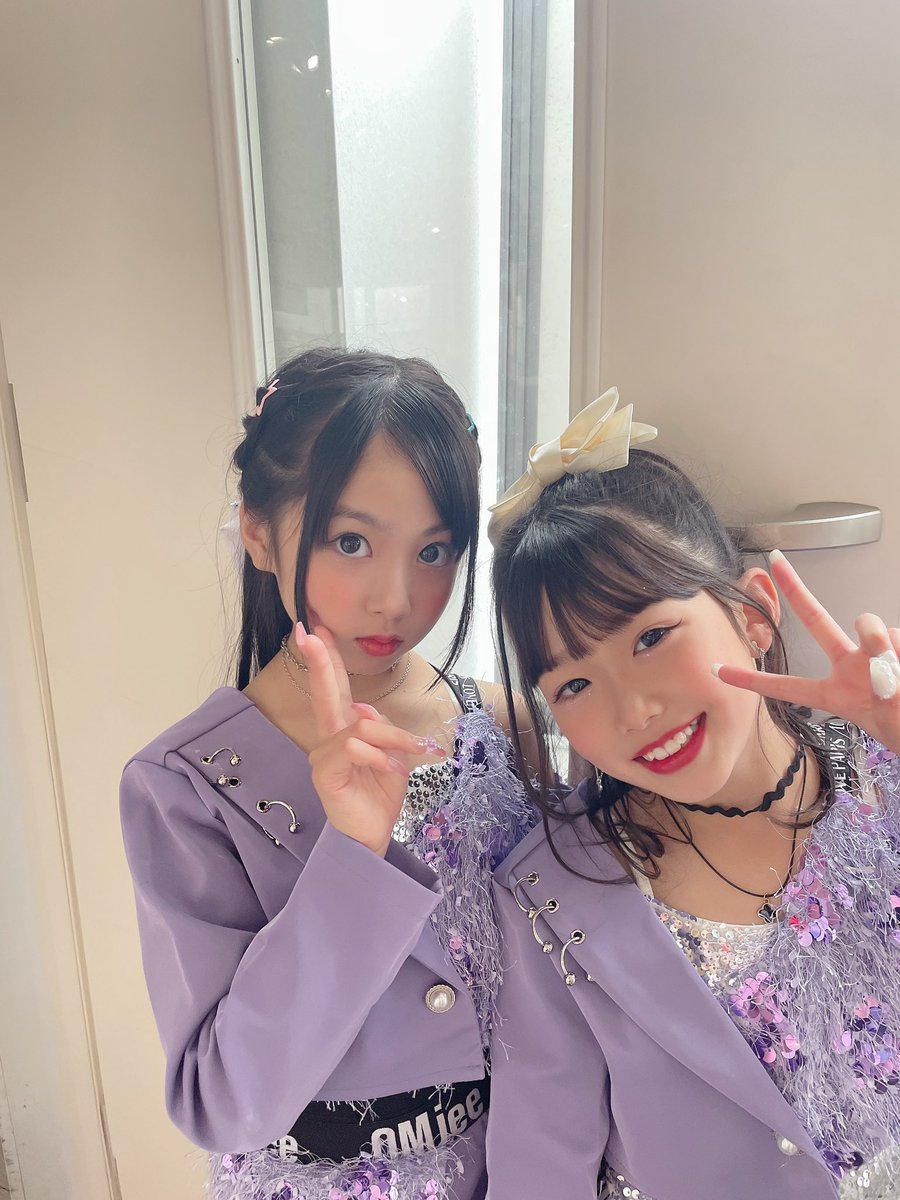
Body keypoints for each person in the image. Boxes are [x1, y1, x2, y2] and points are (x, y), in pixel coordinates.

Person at [120, 348, 536, 1200]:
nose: (397, 597)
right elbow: (220, 1098)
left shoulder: (503, 725)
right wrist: (349, 851)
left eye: (435, 550)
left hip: (524, 1167)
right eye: (351, 541)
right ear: (258, 531)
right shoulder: (184, 785)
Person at [483, 389, 900, 1199]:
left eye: (650, 637)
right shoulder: (549, 896)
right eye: (573, 685)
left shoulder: (879, 780)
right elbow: (541, 1163)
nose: (634, 710)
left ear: (754, 615)